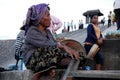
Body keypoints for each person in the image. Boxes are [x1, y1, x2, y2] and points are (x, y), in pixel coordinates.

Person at [22, 3, 79, 80]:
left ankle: (50, 67)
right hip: (33, 60)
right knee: (53, 49)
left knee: (77, 55)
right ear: (40, 18)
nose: (50, 18)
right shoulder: (32, 31)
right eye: (48, 15)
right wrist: (63, 47)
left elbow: (54, 44)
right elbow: (47, 44)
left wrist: (69, 50)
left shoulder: (48, 32)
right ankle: (38, 74)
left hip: (48, 57)